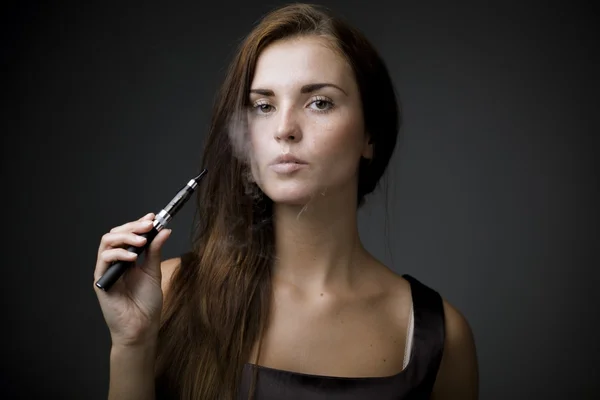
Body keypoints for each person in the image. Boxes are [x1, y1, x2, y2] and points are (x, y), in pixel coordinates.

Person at [93, 3, 478, 399]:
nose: (284, 129)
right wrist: (132, 347)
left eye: (320, 102)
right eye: (263, 106)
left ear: (370, 136)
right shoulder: (170, 293)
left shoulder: (439, 336)